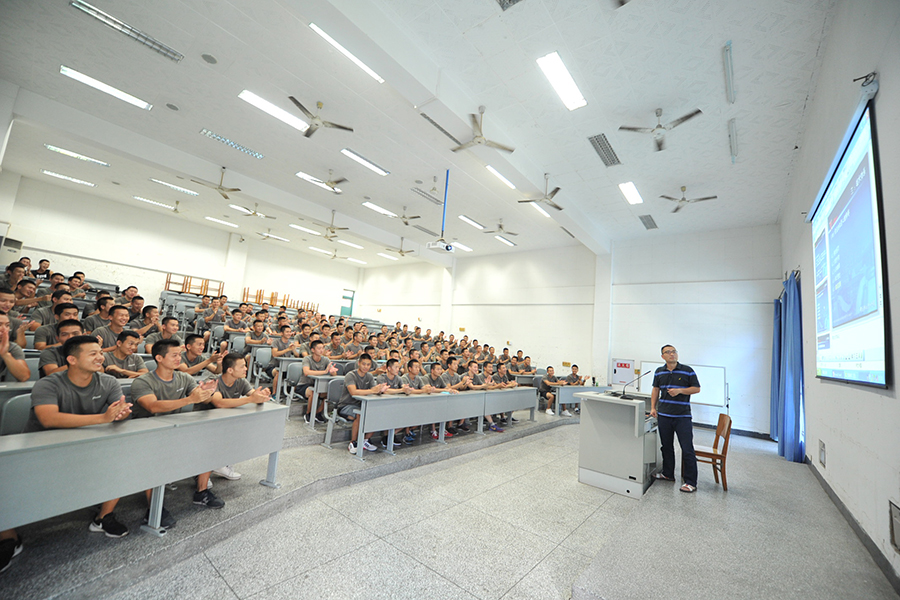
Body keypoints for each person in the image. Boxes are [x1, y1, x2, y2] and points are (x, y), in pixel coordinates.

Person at [25, 335, 132, 537]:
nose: (100, 357)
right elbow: (48, 419)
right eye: (93, 354)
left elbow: (119, 410)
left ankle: (104, 517)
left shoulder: (108, 382)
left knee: (124, 458)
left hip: (88, 443)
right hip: (44, 446)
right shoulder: (48, 384)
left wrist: (121, 413)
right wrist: (103, 418)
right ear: (72, 360)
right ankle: (9, 537)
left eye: (101, 353)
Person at [131, 339, 223, 522]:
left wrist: (207, 393)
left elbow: (201, 398)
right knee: (153, 457)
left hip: (176, 428)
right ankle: (154, 507)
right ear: (159, 357)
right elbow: (153, 407)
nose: (178, 359)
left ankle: (202, 492)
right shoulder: (142, 382)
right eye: (174, 355)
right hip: (147, 432)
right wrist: (189, 400)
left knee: (209, 444)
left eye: (179, 355)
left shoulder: (184, 378)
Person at [206, 352, 273, 482]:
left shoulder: (240, 381)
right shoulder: (214, 381)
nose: (246, 369)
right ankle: (204, 472)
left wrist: (261, 395)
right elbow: (219, 403)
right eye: (242, 366)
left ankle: (222, 464)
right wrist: (250, 399)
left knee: (239, 431)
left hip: (226, 422)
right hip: (206, 422)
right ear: (230, 370)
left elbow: (254, 395)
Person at [650, 345, 701, 493]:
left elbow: (696, 388)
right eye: (668, 352)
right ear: (662, 356)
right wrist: (653, 407)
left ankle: (691, 481)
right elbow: (655, 389)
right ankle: (668, 474)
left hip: (682, 416)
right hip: (664, 415)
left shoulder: (687, 370)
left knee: (687, 449)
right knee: (666, 446)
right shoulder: (659, 372)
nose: (672, 354)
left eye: (674, 352)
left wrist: (680, 390)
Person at [337, 353, 388, 453]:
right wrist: (373, 391)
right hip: (346, 405)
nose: (366, 367)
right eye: (364, 364)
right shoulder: (350, 375)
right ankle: (353, 442)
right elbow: (353, 392)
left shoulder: (369, 376)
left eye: (368, 365)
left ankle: (364, 440)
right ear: (359, 363)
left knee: (377, 413)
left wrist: (380, 389)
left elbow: (374, 389)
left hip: (362, 404)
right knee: (360, 414)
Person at [298, 339, 338, 424]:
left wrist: (332, 371)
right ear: (313, 350)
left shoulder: (326, 359)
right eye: (319, 348)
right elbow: (306, 372)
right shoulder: (307, 359)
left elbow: (333, 373)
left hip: (319, 385)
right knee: (312, 392)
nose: (322, 350)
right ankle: (308, 414)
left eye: (323, 348)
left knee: (329, 394)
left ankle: (317, 413)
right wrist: (324, 372)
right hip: (304, 385)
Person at [0, 311, 30, 382]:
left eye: (7, 325)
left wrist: (5, 355)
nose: (4, 329)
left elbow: (24, 377)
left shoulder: (12, 348)